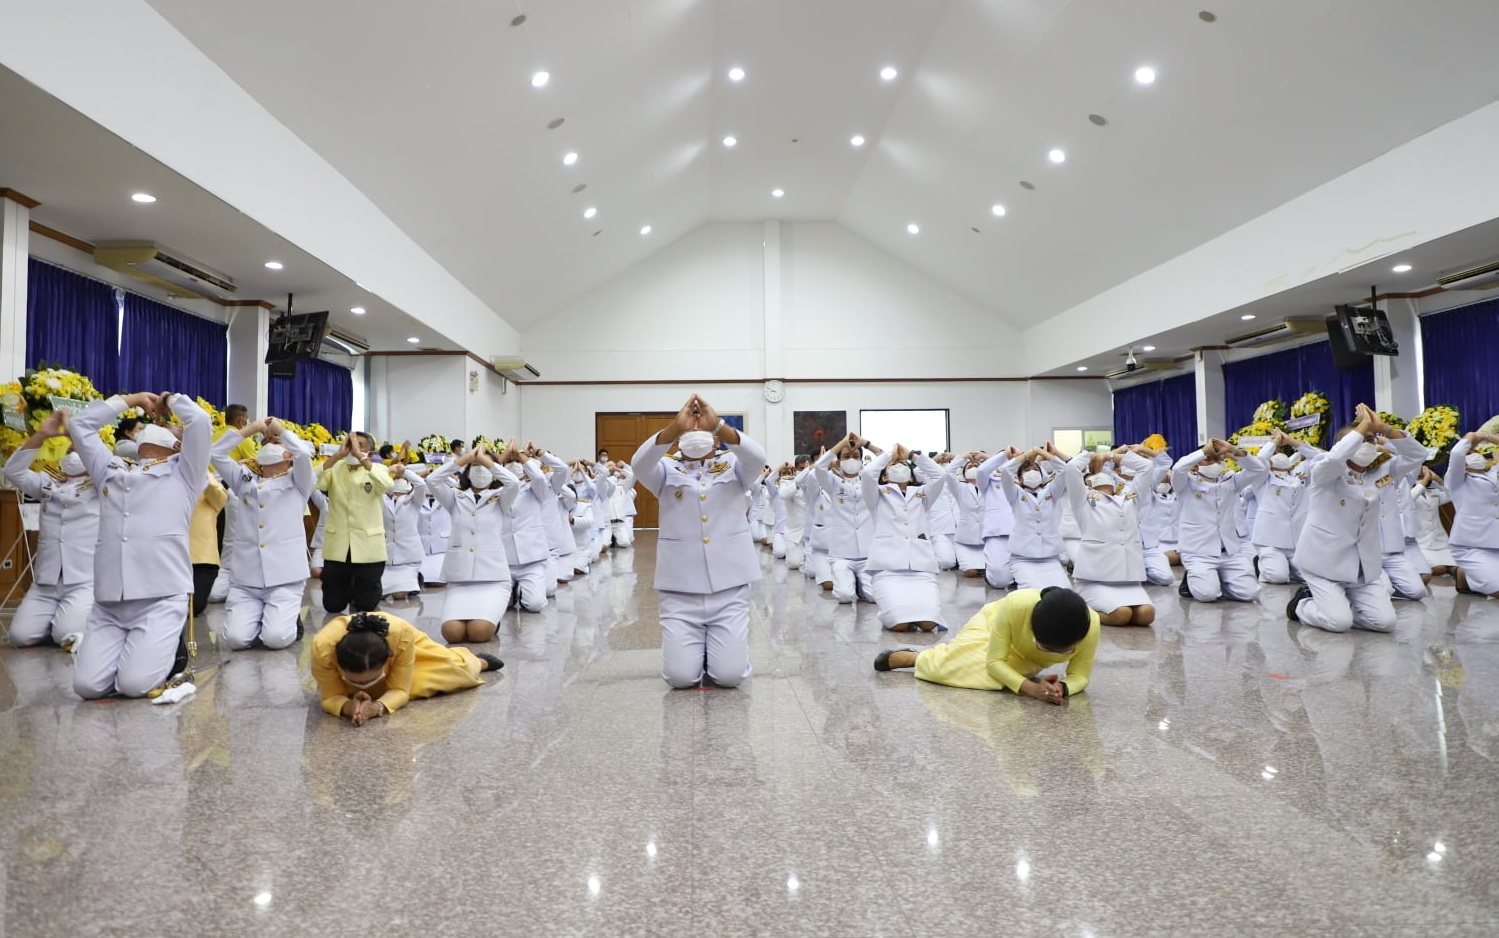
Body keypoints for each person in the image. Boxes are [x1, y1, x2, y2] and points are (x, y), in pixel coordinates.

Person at [69, 391, 211, 698]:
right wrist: (130, 400)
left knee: (133, 686)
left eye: (168, 429)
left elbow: (199, 421)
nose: (152, 425)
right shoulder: (111, 470)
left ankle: (172, 656)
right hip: (109, 602)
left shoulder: (184, 473)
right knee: (87, 687)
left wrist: (170, 400)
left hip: (159, 598)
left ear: (178, 446)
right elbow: (80, 425)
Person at [632, 394, 767, 689]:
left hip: (729, 588)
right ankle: (698, 654)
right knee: (680, 679)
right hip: (680, 591)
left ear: (716, 441)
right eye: (687, 433)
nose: (695, 434)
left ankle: (717, 654)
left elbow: (758, 457)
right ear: (678, 442)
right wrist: (673, 429)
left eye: (701, 431)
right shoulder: (665, 471)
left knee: (729, 677)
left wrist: (718, 425)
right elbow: (639, 465)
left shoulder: (734, 466)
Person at [1288, 405, 1427, 632]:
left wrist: (1385, 429)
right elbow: (1333, 460)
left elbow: (1418, 454)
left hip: (1362, 566)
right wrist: (1363, 426)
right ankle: (1301, 605)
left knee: (1385, 623)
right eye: (1362, 440)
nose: (1368, 445)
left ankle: (1340, 606)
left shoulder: (1381, 471)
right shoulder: (1325, 473)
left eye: (1371, 440)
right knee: (1338, 623)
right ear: (1345, 445)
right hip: (1322, 562)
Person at [873, 587, 1099, 703]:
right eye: (1046, 648)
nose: (1056, 655)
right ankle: (916, 658)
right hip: (990, 629)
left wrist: (1063, 689)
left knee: (1003, 678)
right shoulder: (1015, 605)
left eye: (1064, 652)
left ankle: (935, 658)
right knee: (981, 672)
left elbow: (1080, 675)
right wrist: (1031, 689)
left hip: (1026, 661)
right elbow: (994, 662)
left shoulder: (1091, 624)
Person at [209, 417, 316, 649]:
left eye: (277, 444)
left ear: (288, 456)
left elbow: (305, 456)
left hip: (284, 578)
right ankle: (265, 619)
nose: (271, 444)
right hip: (247, 578)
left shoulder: (298, 482)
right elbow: (215, 453)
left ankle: (284, 620)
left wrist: (283, 432)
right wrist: (252, 429)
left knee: (275, 639)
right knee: (236, 640)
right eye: (267, 441)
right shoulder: (245, 479)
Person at [3, 410, 99, 648]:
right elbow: (13, 472)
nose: (72, 451)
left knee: (65, 635)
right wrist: (42, 435)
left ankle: (92, 623)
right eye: (70, 446)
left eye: (78, 447)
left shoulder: (103, 483)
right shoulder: (49, 481)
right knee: (20, 637)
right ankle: (61, 621)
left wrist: (77, 435)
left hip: (83, 579)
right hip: (46, 580)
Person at [310, 611, 502, 725]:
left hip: (410, 651)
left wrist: (377, 707)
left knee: (444, 672)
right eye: (357, 681)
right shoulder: (323, 648)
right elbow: (329, 697)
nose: (365, 686)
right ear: (339, 665)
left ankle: (477, 662)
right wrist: (348, 707)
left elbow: (401, 689)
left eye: (370, 680)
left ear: (388, 659)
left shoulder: (401, 634)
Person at [426, 444, 521, 643]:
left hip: (493, 579)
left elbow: (513, 482)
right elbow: (432, 480)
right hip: (460, 579)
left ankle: (491, 620)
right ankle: (481, 618)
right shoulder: (455, 497)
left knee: (479, 633)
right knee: (452, 634)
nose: (480, 469)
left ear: (494, 473)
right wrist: (465, 459)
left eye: (485, 467)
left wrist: (488, 461)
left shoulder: (500, 497)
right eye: (475, 466)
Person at [1063, 448, 1156, 627]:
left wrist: (1109, 456)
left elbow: (1147, 466)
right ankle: (1084, 614)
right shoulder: (1084, 501)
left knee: (1146, 615)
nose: (1102, 475)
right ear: (1088, 482)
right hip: (1097, 579)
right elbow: (1072, 468)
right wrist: (1091, 456)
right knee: (1121, 615)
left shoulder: (1130, 498)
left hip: (1128, 578)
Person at [862, 445, 948, 631]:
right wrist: (888, 456)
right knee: (899, 625)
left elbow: (939, 475)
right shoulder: (876, 495)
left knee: (928, 624)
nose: (898, 465)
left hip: (920, 567)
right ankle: (888, 610)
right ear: (884, 476)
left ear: (911, 475)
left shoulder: (922, 494)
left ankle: (911, 610)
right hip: (887, 568)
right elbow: (868, 474)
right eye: (894, 464)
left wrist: (912, 455)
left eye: (903, 464)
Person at [1172, 438, 1267, 602]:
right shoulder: (1186, 482)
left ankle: (1216, 581)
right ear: (1197, 462)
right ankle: (1195, 581)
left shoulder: (1231, 480)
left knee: (1250, 594)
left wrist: (1234, 451)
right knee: (1207, 595)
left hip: (1228, 551)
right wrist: (1203, 452)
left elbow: (1259, 469)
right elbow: (1179, 468)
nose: (1213, 463)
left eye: (1217, 459)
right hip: (1198, 552)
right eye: (1208, 459)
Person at [317, 431, 392, 614]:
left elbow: (386, 485)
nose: (353, 449)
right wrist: (337, 456)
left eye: (360, 445)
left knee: (366, 604)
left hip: (368, 546)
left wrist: (362, 458)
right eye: (351, 445)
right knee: (333, 605)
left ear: (370, 452)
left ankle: (358, 593)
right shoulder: (335, 467)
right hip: (339, 545)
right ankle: (346, 592)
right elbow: (315, 481)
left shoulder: (377, 469)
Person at [815, 433, 881, 604]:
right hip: (841, 554)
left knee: (875, 597)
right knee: (844, 596)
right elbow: (819, 467)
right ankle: (851, 583)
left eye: (855, 456)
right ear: (838, 462)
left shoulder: (870, 481)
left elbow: (886, 459)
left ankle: (860, 584)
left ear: (861, 460)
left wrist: (866, 444)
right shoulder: (833, 483)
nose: (852, 459)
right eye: (846, 456)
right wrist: (842, 443)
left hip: (867, 553)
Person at [998, 444, 1072, 590]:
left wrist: (1049, 454)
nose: (1032, 472)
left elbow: (1065, 470)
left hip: (1050, 557)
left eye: (1035, 469)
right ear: (1019, 478)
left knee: (1065, 593)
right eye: (1027, 470)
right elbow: (1006, 471)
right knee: (1033, 594)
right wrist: (1028, 454)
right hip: (1023, 557)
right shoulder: (1015, 493)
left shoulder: (1051, 491)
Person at [495, 441, 553, 613]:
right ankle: (512, 592)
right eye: (510, 462)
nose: (514, 465)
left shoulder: (536, 489)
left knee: (535, 605)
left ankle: (522, 592)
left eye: (518, 463)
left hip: (532, 559)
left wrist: (521, 455)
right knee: (502, 606)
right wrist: (505, 454)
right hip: (504, 559)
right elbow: (487, 470)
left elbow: (540, 477)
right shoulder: (495, 490)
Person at [1249, 431, 1311, 584]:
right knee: (1279, 577)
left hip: (1296, 541)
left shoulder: (1297, 474)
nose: (1279, 453)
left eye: (1281, 450)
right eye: (1275, 452)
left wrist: (1292, 441)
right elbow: (1259, 460)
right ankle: (1262, 565)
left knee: (1313, 577)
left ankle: (1288, 568)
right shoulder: (1263, 478)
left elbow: (1321, 457)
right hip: (1271, 542)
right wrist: (1275, 442)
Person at [1446, 431, 1499, 598]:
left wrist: (1489, 437)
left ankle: (1468, 577)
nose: (1474, 455)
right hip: (1471, 546)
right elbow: (1456, 454)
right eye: (1469, 453)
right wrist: (1471, 438)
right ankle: (1467, 577)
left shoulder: (1493, 475)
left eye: (1476, 452)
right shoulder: (1457, 480)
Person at [380, 463, 428, 601]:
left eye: (402, 478)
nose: (399, 479)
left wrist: (405, 471)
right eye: (396, 477)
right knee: (379, 596)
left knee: (399, 595)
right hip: (388, 557)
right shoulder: (383, 498)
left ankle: (414, 579)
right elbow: (373, 482)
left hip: (408, 557)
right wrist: (388, 471)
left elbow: (421, 485)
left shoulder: (414, 499)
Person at [975, 449, 1017, 589]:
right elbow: (981, 471)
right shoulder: (989, 482)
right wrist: (1005, 454)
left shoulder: (1024, 480)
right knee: (1000, 581)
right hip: (998, 534)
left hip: (1025, 534)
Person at [947, 452, 989, 579]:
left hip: (987, 539)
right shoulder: (960, 488)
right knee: (970, 573)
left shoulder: (990, 486)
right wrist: (962, 457)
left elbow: (1003, 470)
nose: (974, 467)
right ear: (964, 474)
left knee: (993, 572)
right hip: (965, 540)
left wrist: (984, 457)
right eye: (970, 466)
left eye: (977, 465)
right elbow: (948, 473)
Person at [1411, 467, 1457, 577]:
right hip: (1421, 543)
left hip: (1440, 540)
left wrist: (1437, 479)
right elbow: (1410, 498)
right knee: (1439, 569)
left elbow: (1452, 495)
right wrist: (1425, 480)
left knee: (1455, 568)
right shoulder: (1407, 492)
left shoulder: (1432, 492)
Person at [609, 460, 638, 548]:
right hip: (607, 519)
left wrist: (619, 468)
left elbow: (631, 475)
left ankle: (616, 537)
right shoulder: (603, 482)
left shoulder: (623, 484)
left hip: (625, 515)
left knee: (627, 540)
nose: (612, 470)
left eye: (614, 468)